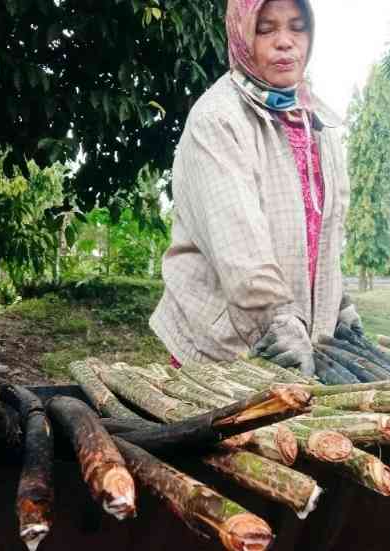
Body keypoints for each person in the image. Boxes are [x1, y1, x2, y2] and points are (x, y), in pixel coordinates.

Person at [150, 0, 363, 376]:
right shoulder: (217, 119)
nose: (285, 42)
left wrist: (339, 305)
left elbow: (324, 235)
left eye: (297, 27)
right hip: (224, 349)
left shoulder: (316, 121)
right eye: (266, 29)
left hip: (297, 346)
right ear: (241, 34)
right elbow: (240, 248)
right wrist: (277, 322)